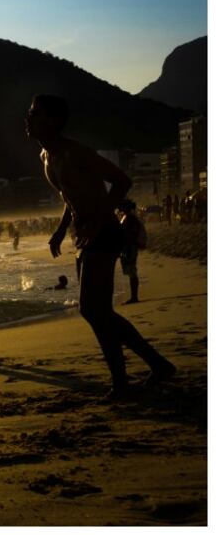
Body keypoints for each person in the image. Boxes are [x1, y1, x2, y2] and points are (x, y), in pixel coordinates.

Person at [25, 94, 175, 397]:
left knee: (93, 310)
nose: (29, 118)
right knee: (97, 312)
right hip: (84, 236)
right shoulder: (46, 157)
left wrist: (98, 220)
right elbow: (70, 196)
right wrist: (60, 230)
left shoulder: (75, 152)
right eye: (30, 113)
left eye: (36, 113)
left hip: (105, 232)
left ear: (54, 120)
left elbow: (122, 181)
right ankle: (145, 371)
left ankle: (134, 375)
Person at [117, 199, 146, 304]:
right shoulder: (129, 218)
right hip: (129, 247)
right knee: (131, 271)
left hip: (129, 247)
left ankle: (134, 297)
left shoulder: (129, 219)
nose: (119, 208)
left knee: (132, 271)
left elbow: (129, 235)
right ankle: (134, 296)